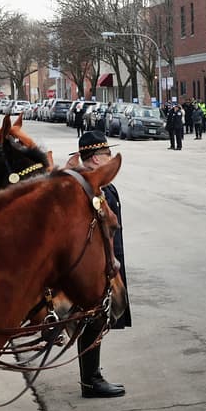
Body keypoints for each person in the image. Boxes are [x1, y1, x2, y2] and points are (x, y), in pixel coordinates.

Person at [68, 131, 130, 397]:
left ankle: (92, 377)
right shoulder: (84, 187)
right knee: (93, 317)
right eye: (106, 155)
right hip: (93, 264)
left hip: (107, 260)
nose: (110, 160)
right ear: (94, 159)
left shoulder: (103, 185)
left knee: (99, 317)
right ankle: (91, 380)